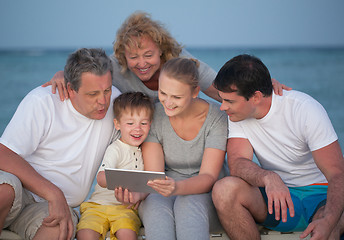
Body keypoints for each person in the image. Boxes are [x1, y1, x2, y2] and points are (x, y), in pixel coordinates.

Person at [0, 48, 120, 240]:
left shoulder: (116, 103)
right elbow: (1, 157)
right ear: (71, 89)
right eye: (93, 94)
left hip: (44, 209)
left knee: (61, 227)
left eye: (107, 90)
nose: (103, 101)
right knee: (2, 193)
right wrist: (54, 193)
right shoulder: (44, 101)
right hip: (11, 187)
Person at [211, 54, 344, 240]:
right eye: (222, 99)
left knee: (330, 221)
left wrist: (329, 221)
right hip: (279, 200)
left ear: (256, 97)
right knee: (224, 190)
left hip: (321, 194)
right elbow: (237, 163)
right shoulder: (237, 115)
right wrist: (268, 177)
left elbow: (337, 174)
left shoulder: (304, 109)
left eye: (229, 101)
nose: (222, 107)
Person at [42, 11, 289, 102]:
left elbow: (221, 90)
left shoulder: (182, 62)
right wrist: (61, 74)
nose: (141, 63)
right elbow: (85, 69)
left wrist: (261, 87)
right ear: (122, 56)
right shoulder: (114, 66)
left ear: (161, 50)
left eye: (148, 54)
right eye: (133, 57)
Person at [116, 57, 228, 240]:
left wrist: (176, 188)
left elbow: (208, 178)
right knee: (155, 208)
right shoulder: (155, 115)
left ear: (195, 92)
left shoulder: (216, 118)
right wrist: (137, 193)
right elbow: (154, 175)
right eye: (163, 93)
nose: (168, 102)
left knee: (188, 206)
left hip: (204, 194)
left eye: (176, 97)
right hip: (164, 188)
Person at [76, 92, 154, 240]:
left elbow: (150, 183)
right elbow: (101, 178)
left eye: (143, 123)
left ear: (150, 124)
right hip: (98, 205)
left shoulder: (148, 151)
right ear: (117, 124)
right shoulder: (115, 148)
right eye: (130, 123)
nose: (137, 129)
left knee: (127, 234)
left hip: (125, 209)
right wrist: (122, 183)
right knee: (85, 233)